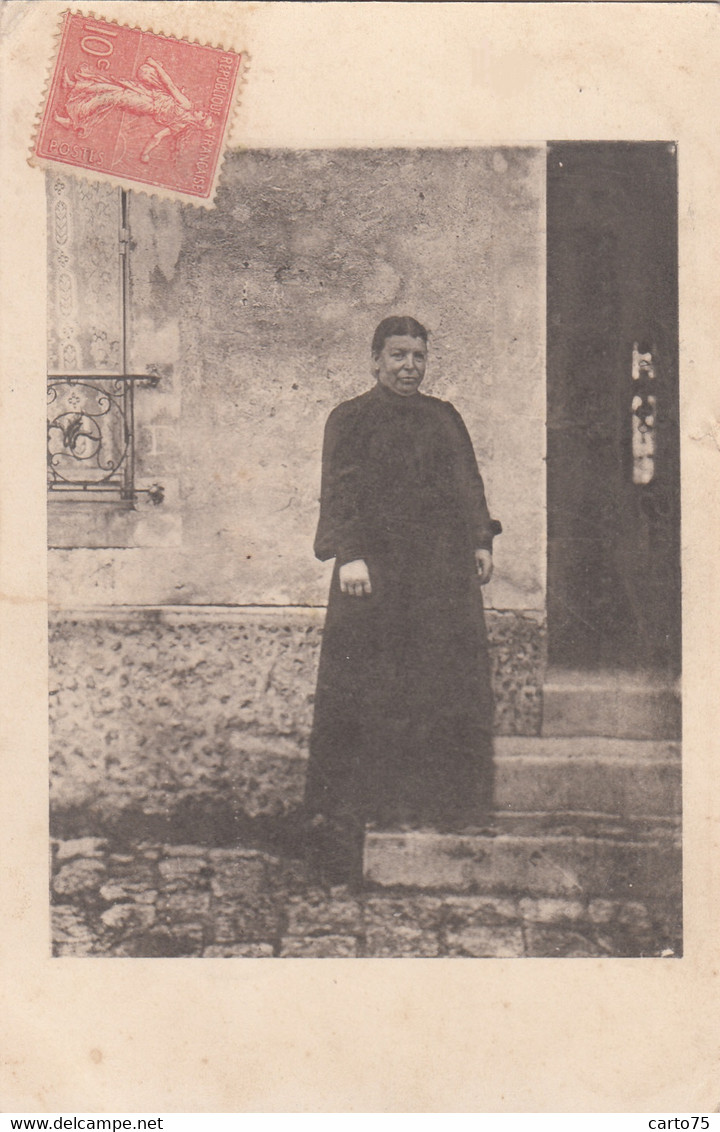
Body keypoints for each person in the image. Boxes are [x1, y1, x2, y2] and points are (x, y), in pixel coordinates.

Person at [305, 316, 500, 884]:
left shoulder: (444, 418)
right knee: (372, 685)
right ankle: (357, 811)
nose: (409, 366)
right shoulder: (350, 419)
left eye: (418, 356)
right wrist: (351, 554)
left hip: (439, 577)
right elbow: (339, 489)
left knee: (437, 680)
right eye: (398, 355)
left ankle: (438, 804)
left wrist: (481, 540)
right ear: (374, 360)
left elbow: (468, 483)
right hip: (374, 577)